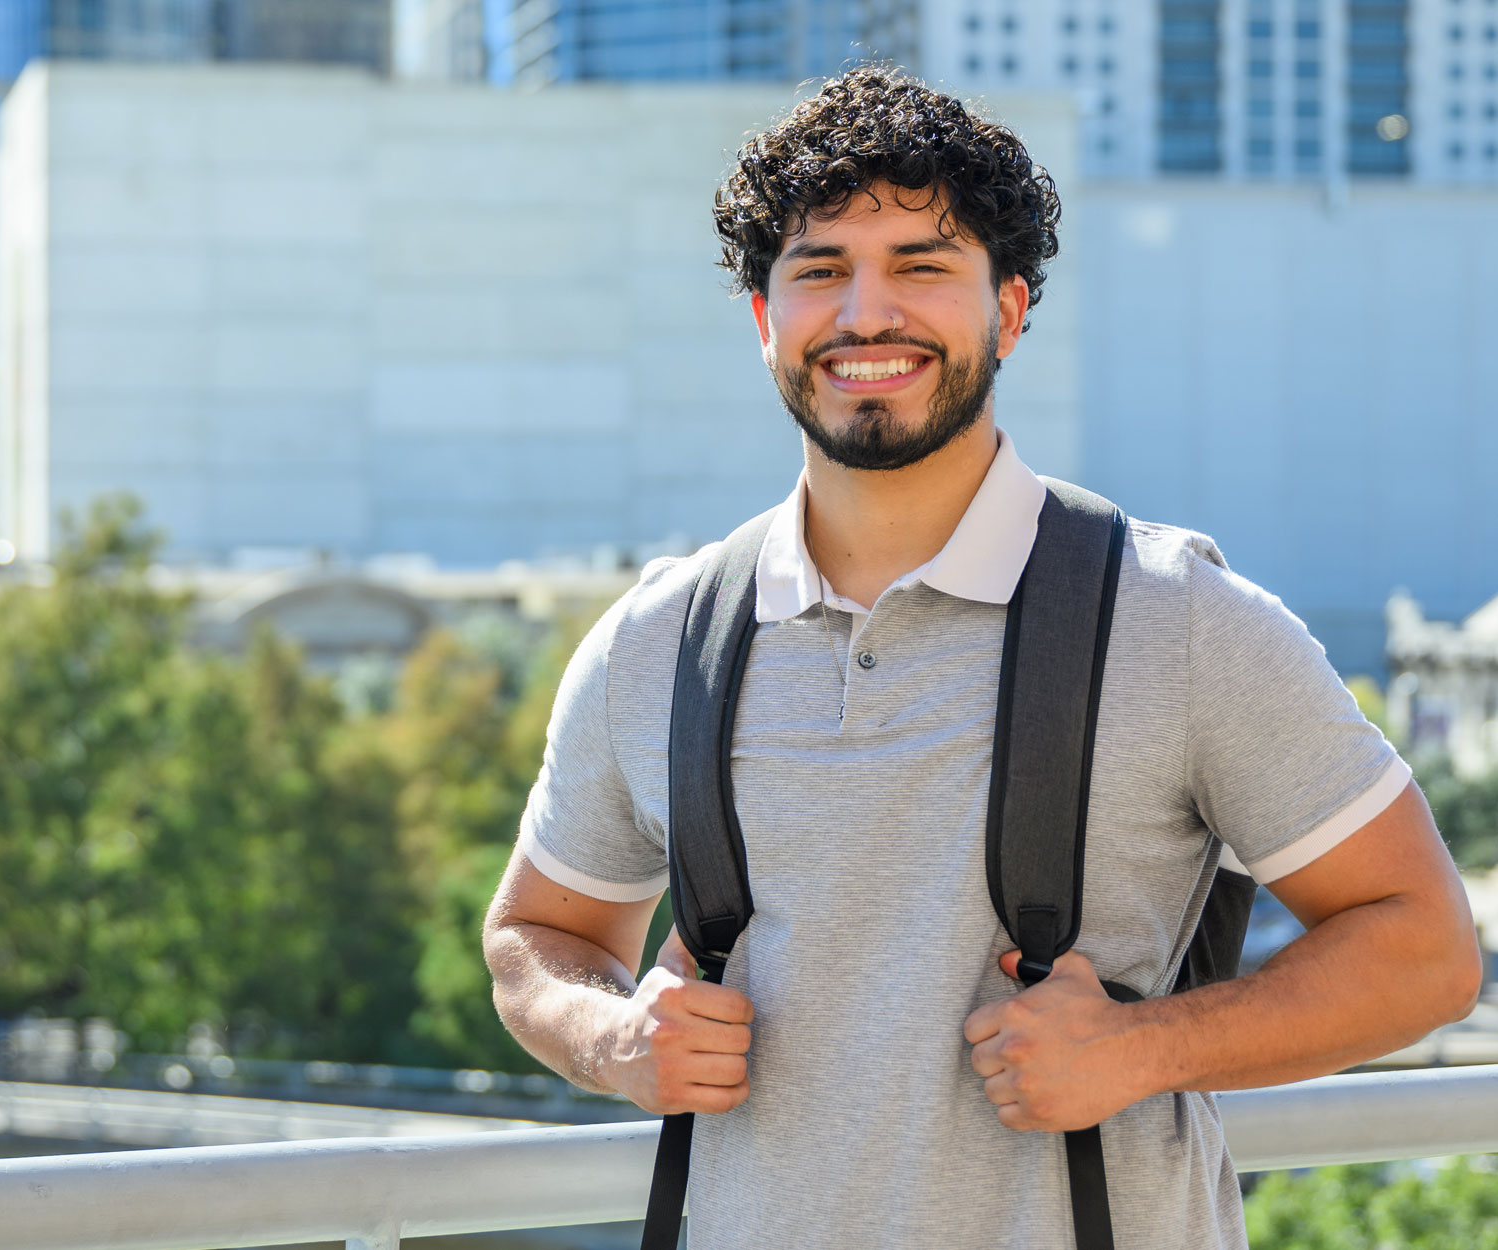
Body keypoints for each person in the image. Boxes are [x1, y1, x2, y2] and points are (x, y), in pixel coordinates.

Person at [481, 66, 1483, 1248]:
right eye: (819, 271)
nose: (865, 314)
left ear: (1007, 312)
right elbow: (531, 941)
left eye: (920, 265)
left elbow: (1422, 949)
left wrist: (1136, 1048)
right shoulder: (659, 640)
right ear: (764, 322)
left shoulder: (1176, 619)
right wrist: (612, 1037)